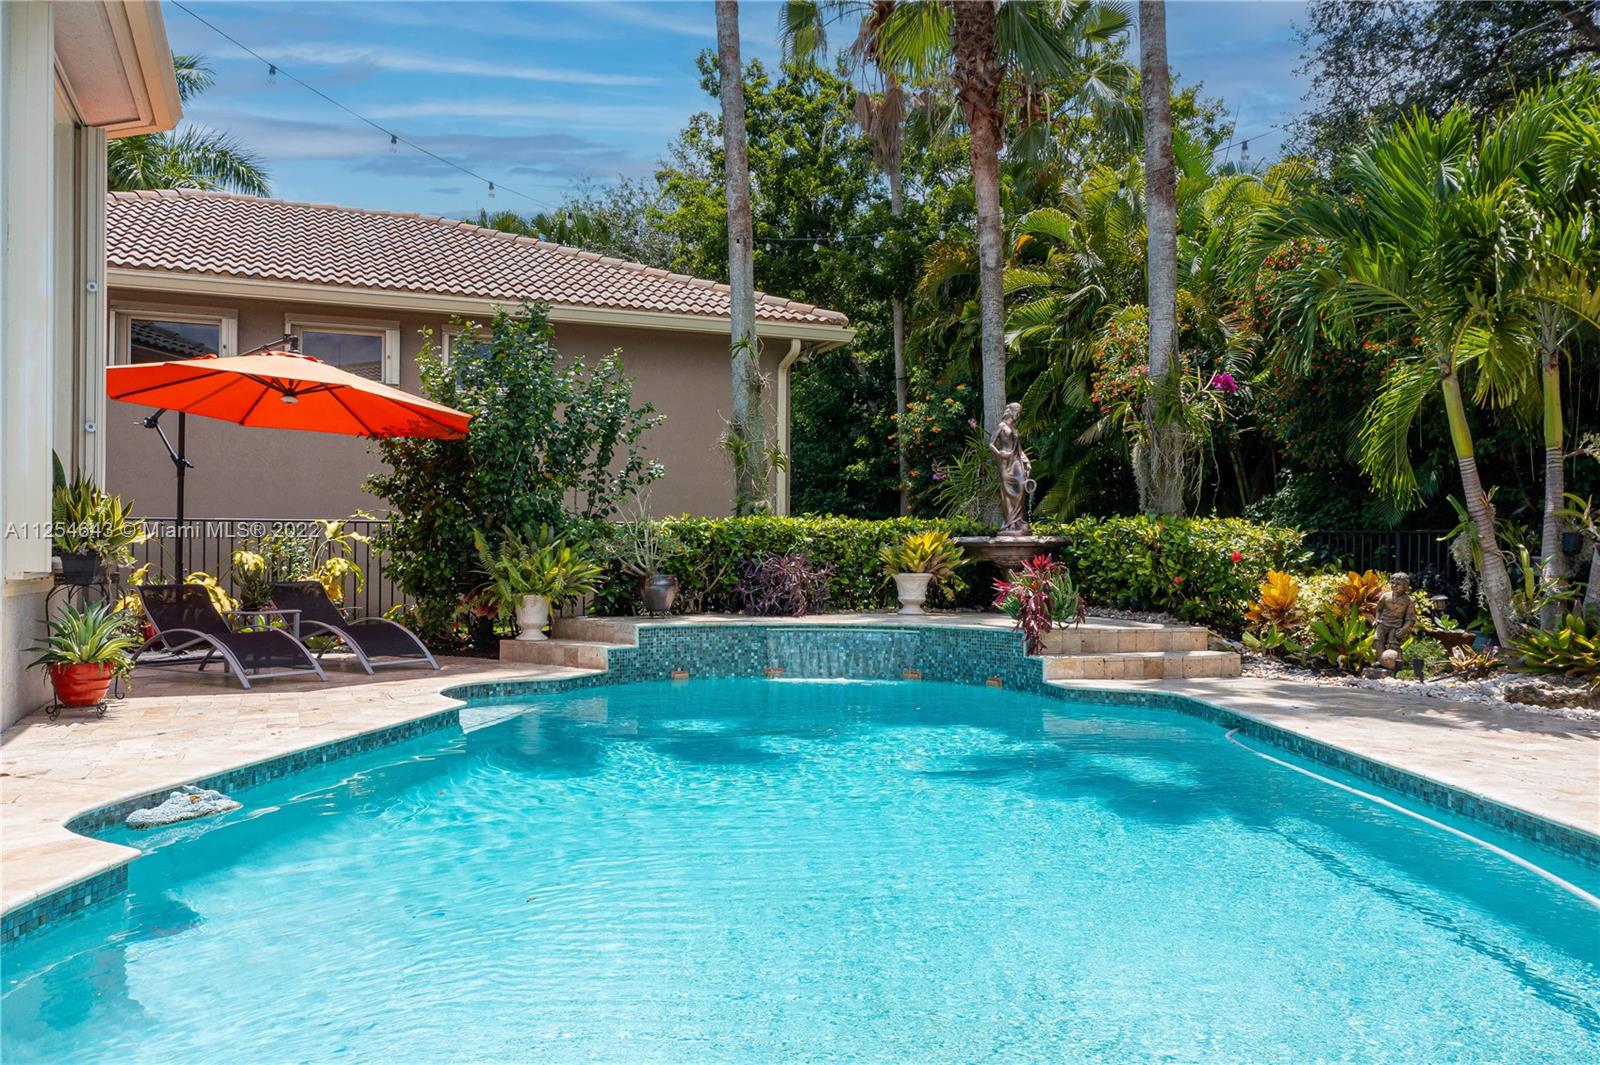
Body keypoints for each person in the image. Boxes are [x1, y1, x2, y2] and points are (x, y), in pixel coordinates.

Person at [989, 402, 1035, 536]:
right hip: (1005, 461)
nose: (1018, 414)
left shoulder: (1014, 428)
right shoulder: (1001, 426)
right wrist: (999, 454)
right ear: (1011, 411)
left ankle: (1019, 521)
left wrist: (1027, 462)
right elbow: (991, 443)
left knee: (1021, 487)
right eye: (1017, 411)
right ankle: (1010, 524)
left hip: (1016, 461)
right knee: (1007, 493)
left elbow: (1019, 449)